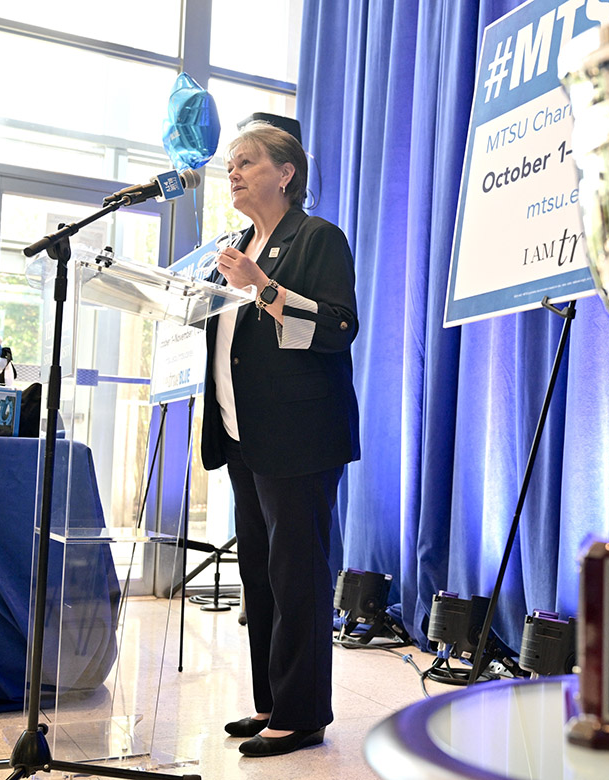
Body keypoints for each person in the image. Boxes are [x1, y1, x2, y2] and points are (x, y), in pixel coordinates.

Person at [200, 120, 360, 758]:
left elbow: (338, 329)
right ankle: (269, 701)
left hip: (300, 433)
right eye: (230, 164)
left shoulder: (317, 238)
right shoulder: (236, 243)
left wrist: (261, 288)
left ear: (286, 173)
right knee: (260, 575)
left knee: (297, 575)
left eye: (245, 161)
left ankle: (300, 715)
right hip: (244, 430)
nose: (232, 172)